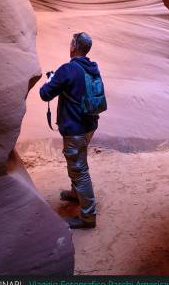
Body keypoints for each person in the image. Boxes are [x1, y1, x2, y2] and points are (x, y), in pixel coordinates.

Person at [39, 32, 104, 229]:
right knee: (78, 163)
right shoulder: (92, 68)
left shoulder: (67, 69)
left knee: (79, 170)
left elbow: (45, 94)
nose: (70, 46)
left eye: (71, 43)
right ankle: (76, 195)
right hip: (89, 125)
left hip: (75, 128)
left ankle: (87, 217)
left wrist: (52, 79)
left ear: (74, 46)